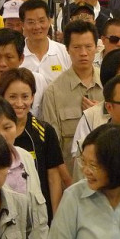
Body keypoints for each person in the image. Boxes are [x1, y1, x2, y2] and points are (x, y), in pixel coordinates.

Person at [0, 68, 65, 220]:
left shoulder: (45, 131)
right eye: (12, 97)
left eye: (25, 96)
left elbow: (54, 178)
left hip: (38, 214)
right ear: (1, 97)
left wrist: (55, 219)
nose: (19, 103)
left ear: (33, 97)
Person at [41, 20, 104, 170]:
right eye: (76, 47)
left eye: (88, 47)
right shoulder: (53, 92)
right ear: (67, 49)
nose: (83, 53)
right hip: (71, 178)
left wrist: (101, 114)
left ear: (96, 48)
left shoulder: (109, 84)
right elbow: (52, 148)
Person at [19, 0, 71, 85]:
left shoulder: (65, 52)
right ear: (22, 25)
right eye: (31, 22)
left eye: (41, 21)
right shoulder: (17, 53)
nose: (37, 26)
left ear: (49, 21)